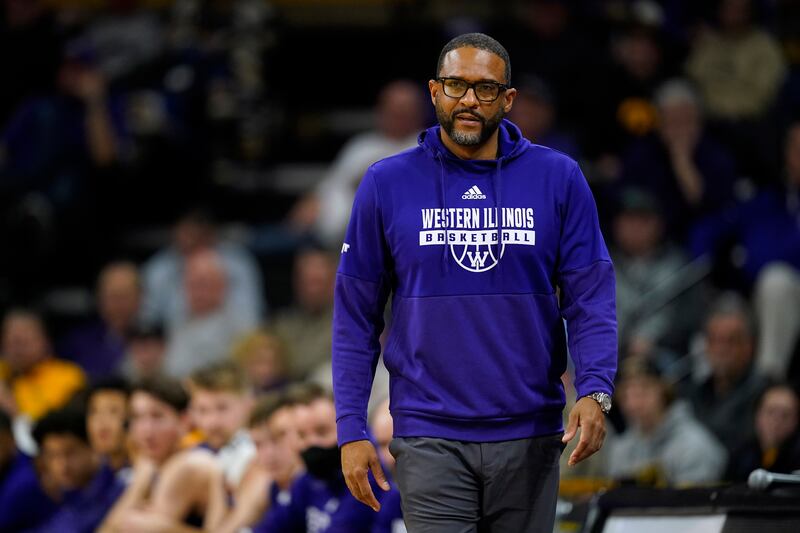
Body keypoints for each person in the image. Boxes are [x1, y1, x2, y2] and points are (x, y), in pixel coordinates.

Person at [333, 33, 617, 533]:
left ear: (508, 100)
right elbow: (355, 316)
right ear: (434, 91)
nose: (468, 100)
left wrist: (595, 389)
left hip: (530, 432)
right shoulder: (386, 183)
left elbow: (590, 298)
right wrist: (350, 427)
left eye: (485, 89)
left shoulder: (559, 177)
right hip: (428, 433)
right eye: (456, 85)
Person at [254, 385, 380, 532]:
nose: (311, 443)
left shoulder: (366, 478)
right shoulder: (306, 481)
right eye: (302, 435)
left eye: (322, 432)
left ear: (346, 430)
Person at [607, 359, 727, 486]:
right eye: (626, 393)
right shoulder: (621, 448)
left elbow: (696, 503)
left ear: (663, 390)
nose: (634, 402)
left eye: (644, 389)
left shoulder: (694, 446)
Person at [31, 405, 127, 532]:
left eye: (70, 453)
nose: (62, 465)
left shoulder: (117, 485)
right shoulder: (63, 494)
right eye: (53, 456)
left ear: (92, 447)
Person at [58, 262, 141, 380]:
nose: (119, 305)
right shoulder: (76, 343)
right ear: (99, 299)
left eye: (125, 297)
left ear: (140, 298)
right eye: (113, 297)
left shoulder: (156, 339)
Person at [725, 382, 800, 482]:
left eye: (785, 415)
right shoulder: (740, 455)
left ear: (796, 421)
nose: (776, 421)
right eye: (770, 412)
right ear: (757, 415)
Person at [86, 377, 130, 472]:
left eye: (113, 411)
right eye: (94, 412)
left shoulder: (143, 473)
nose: (101, 421)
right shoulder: (99, 473)